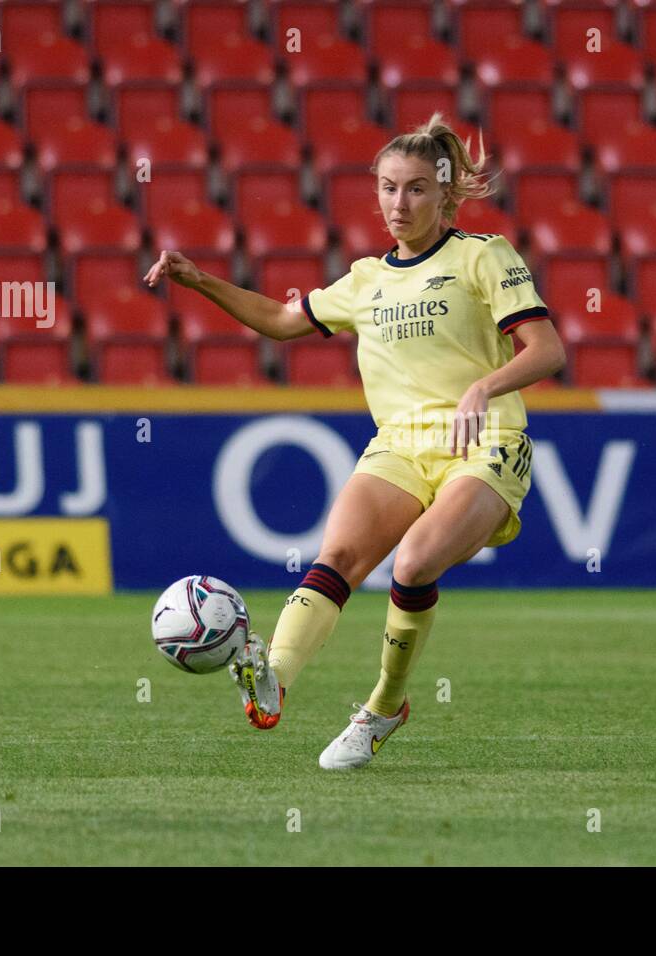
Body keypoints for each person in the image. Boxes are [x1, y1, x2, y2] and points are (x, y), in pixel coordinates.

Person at [143, 114, 566, 769]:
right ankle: (273, 675)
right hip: (399, 444)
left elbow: (547, 349)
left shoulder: (483, 255)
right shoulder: (366, 280)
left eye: (418, 189)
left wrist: (486, 388)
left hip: (483, 440)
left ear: (446, 194)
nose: (400, 203)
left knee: (414, 563)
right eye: (389, 188)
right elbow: (283, 321)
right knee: (338, 554)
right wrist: (200, 280)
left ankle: (383, 707)